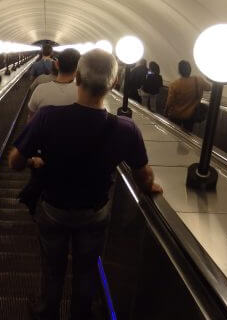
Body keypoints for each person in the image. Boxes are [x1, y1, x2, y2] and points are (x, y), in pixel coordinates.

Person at [9, 49, 161, 320]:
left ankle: (47, 311)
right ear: (113, 84)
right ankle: (81, 314)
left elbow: (15, 162)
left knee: (53, 268)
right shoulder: (126, 129)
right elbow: (144, 176)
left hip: (53, 209)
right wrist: (150, 188)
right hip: (95, 213)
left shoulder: (49, 117)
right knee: (87, 270)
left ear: (77, 78)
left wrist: (33, 162)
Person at [27, 48, 81, 121]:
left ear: (57, 64)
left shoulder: (40, 89)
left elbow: (31, 118)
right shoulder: (81, 93)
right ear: (78, 68)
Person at [165, 60, 210, 132]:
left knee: (175, 134)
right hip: (191, 115)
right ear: (190, 70)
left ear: (179, 71)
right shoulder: (198, 80)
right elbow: (209, 88)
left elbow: (170, 101)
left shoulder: (175, 84)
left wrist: (166, 111)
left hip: (176, 114)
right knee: (187, 134)